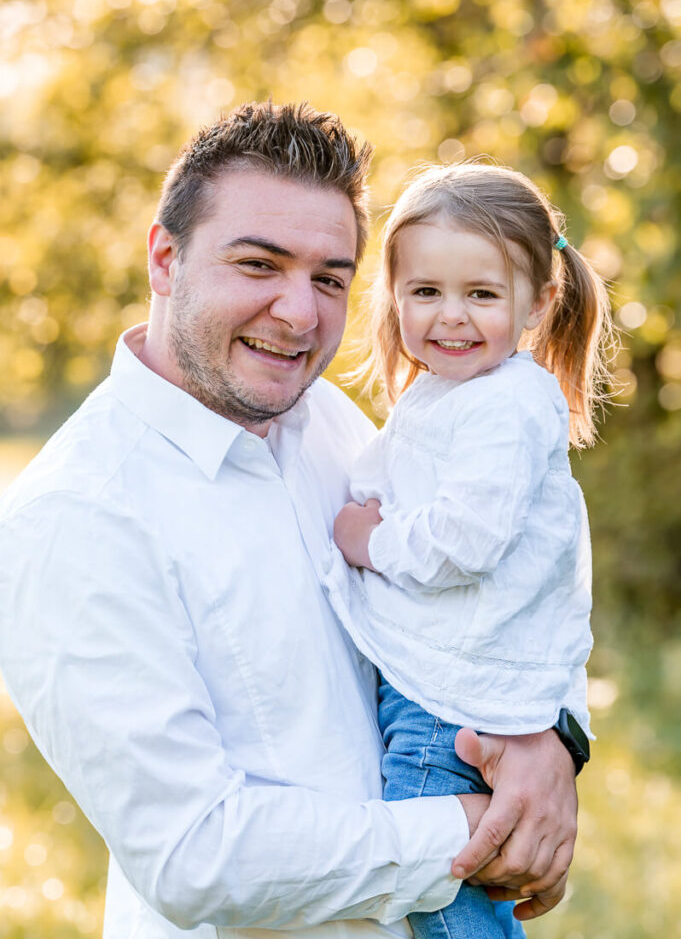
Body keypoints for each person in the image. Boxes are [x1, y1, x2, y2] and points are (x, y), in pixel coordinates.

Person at [0, 104, 579, 939]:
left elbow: (500, 579)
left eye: (329, 278)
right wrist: (480, 828)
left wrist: (550, 745)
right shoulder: (77, 518)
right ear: (165, 258)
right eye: (258, 264)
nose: (299, 314)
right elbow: (197, 855)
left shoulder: (331, 426)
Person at [327, 161, 612, 939]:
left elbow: (465, 542)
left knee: (443, 888)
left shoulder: (507, 405)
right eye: (424, 293)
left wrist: (370, 541)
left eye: (480, 295)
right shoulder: (454, 391)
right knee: (462, 883)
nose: (449, 317)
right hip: (444, 684)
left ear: (536, 302)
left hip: (447, 701)